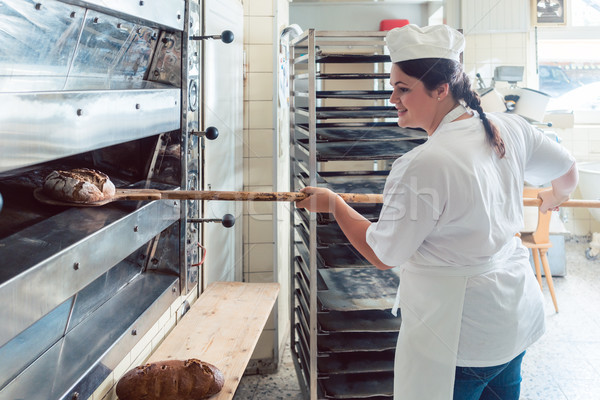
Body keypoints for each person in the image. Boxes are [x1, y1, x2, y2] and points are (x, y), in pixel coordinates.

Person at [296, 24, 578, 400]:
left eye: (403, 89)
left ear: (441, 89)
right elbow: (567, 173)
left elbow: (383, 254)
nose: (392, 99)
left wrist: (333, 203)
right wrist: (554, 197)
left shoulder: (421, 164)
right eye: (392, 86)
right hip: (513, 317)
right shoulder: (509, 126)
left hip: (457, 334)